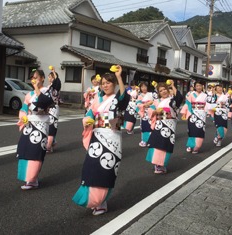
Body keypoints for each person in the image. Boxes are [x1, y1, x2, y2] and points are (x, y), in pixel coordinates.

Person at [72, 65, 130, 216]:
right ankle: (95, 199)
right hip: (97, 136)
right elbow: (90, 113)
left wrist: (118, 76)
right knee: (92, 167)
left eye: (108, 82)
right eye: (103, 83)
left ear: (114, 84)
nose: (105, 85)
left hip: (111, 136)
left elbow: (124, 98)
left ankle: (102, 201)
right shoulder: (97, 100)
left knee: (106, 168)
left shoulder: (117, 98)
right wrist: (88, 120)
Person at [16, 69, 54, 190]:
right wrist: (23, 116)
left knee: (36, 151)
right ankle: (29, 178)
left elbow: (43, 105)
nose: (34, 80)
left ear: (42, 78)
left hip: (40, 125)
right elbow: (23, 108)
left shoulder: (47, 91)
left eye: (36, 77)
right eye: (32, 77)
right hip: (29, 124)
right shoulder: (29, 95)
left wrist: (37, 89)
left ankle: (32, 179)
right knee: (24, 149)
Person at [145, 81, 183, 174]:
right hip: (159, 124)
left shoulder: (172, 101)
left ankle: (161, 164)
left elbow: (179, 98)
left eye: (165, 89)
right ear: (159, 93)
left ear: (168, 89)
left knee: (165, 145)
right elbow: (150, 111)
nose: (163, 92)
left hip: (169, 125)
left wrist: (173, 86)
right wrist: (155, 112)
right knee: (157, 144)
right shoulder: (157, 101)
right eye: (161, 91)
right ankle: (157, 165)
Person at [181, 81, 208, 154]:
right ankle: (190, 145)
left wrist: (207, 111)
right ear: (195, 87)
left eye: (200, 86)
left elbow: (207, 105)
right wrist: (184, 113)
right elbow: (187, 104)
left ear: (202, 86)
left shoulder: (205, 95)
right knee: (191, 130)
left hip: (201, 114)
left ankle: (197, 146)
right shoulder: (191, 94)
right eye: (197, 86)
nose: (199, 87)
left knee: (200, 130)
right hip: (192, 114)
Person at [46, 67, 61, 153]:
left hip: (54, 108)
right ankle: (52, 142)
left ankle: (49, 146)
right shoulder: (49, 87)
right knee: (47, 127)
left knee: (52, 127)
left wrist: (54, 72)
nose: (49, 78)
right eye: (48, 77)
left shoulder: (56, 86)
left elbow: (57, 81)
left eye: (50, 77)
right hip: (47, 109)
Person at [136, 82, 154, 147]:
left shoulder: (151, 94)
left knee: (151, 126)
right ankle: (144, 140)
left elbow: (155, 102)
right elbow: (138, 104)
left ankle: (150, 141)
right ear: (140, 88)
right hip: (144, 113)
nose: (144, 88)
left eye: (145, 86)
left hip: (151, 112)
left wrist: (150, 105)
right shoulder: (140, 96)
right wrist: (144, 105)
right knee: (144, 126)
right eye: (142, 87)